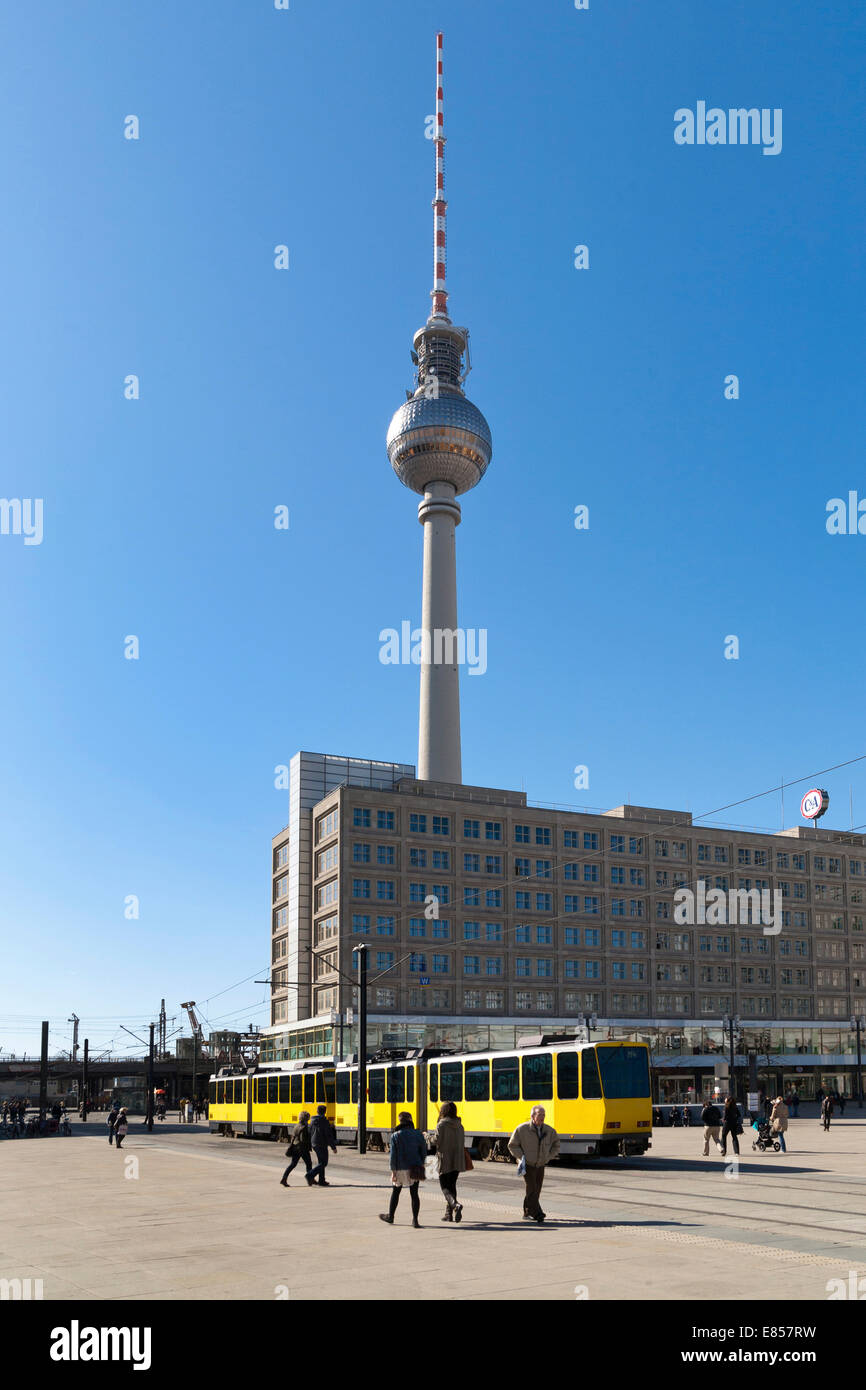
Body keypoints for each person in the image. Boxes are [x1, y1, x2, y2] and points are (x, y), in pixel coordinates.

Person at [508, 1104, 560, 1223]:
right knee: (531, 1188)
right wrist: (521, 1157)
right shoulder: (522, 1129)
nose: (542, 1117)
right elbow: (512, 1145)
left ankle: (527, 1212)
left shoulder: (549, 1130)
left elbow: (556, 1145)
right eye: (539, 1115)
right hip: (528, 1164)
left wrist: (548, 1157)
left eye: (544, 1115)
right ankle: (538, 1213)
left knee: (536, 1190)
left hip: (541, 1164)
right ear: (532, 1116)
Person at [379, 1111, 427, 1227]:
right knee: (414, 1194)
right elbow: (424, 1151)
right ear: (410, 1120)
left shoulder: (396, 1135)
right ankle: (415, 1220)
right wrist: (421, 1164)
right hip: (415, 1167)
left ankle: (391, 1216)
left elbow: (393, 1156)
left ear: (400, 1121)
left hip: (400, 1168)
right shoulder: (418, 1134)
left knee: (396, 1192)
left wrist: (393, 1172)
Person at [433, 1100, 467, 1222]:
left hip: (445, 1159)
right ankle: (449, 1214)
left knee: (445, 1187)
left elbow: (436, 1141)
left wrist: (426, 1136)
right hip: (457, 1159)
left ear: (443, 1111)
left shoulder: (441, 1124)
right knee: (452, 1186)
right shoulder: (460, 1125)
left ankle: (455, 1204)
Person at [307, 1105, 338, 1187]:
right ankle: (310, 1175)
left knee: (321, 1162)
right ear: (325, 1112)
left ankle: (321, 1180)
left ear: (317, 1111)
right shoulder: (324, 1121)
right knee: (324, 1163)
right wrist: (333, 1147)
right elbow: (328, 1135)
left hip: (314, 1144)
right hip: (322, 1144)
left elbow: (309, 1132)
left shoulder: (312, 1120)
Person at [280, 1111, 313, 1185]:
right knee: (309, 1164)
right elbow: (303, 1139)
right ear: (306, 1118)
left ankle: (284, 1178)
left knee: (293, 1164)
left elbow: (293, 1136)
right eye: (308, 1118)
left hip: (295, 1147)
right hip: (302, 1148)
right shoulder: (304, 1127)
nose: (308, 1120)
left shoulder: (296, 1125)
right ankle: (310, 1179)